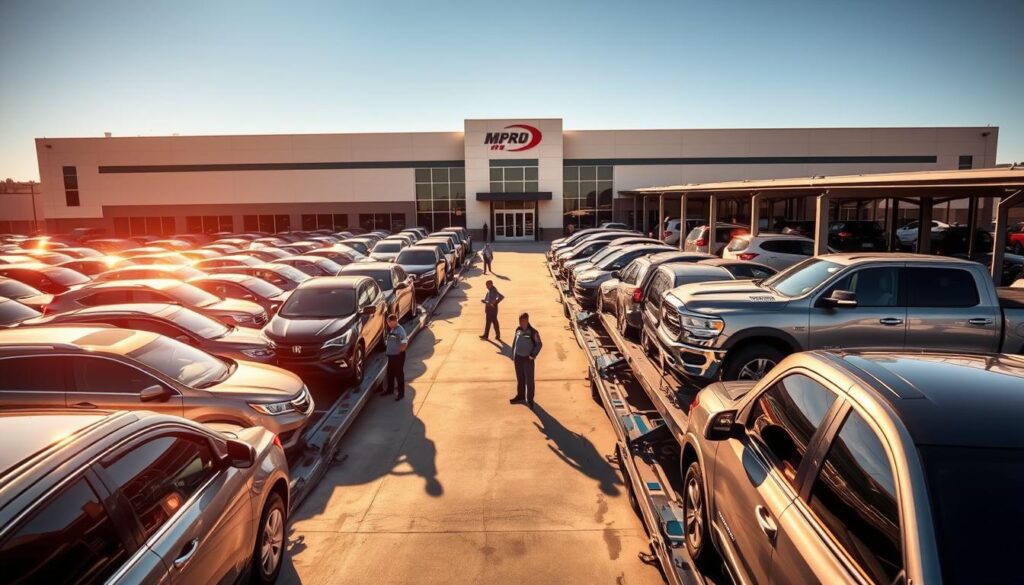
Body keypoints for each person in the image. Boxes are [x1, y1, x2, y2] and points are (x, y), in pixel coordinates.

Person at [510, 312, 542, 408]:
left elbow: (539, 344)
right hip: (518, 358)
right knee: (520, 379)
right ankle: (521, 396)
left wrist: (532, 355)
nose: (521, 323)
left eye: (523, 321)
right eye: (520, 321)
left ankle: (530, 400)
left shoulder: (533, 332)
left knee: (529, 380)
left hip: (528, 359)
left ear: (527, 321)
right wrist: (513, 354)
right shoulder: (518, 329)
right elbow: (515, 341)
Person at [381, 314, 409, 401]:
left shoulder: (400, 331)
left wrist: (398, 352)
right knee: (390, 373)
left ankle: (401, 394)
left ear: (394, 321)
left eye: (390, 323)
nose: (388, 324)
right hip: (392, 356)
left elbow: (404, 343)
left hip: (398, 356)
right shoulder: (393, 329)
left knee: (399, 374)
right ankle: (390, 389)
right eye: (388, 323)